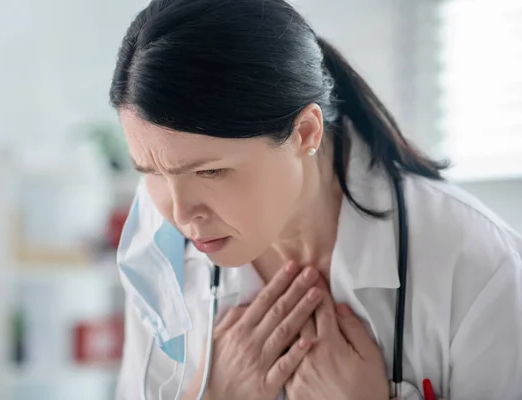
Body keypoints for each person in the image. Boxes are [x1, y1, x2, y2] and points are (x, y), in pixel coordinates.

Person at [109, 0, 522, 399]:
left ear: (305, 132)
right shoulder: (161, 262)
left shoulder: (476, 265)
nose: (180, 213)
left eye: (209, 171)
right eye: (152, 173)